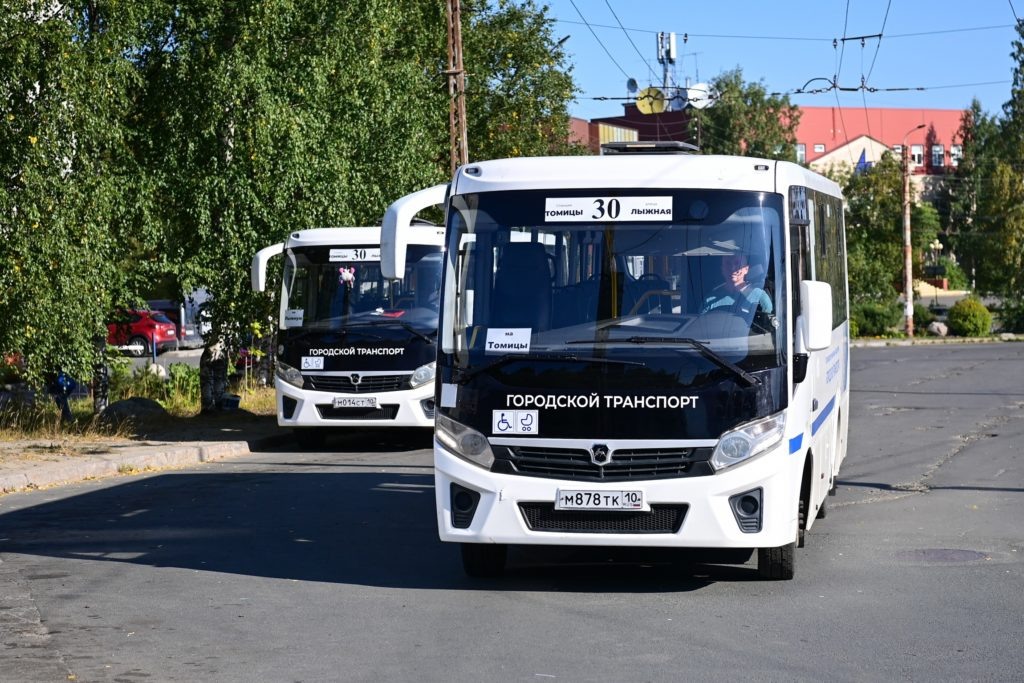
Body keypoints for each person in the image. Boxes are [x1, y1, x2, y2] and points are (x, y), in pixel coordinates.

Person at [701, 252, 773, 315]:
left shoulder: (760, 298)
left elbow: (767, 326)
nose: (732, 268)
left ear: (746, 269)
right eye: (728, 263)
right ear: (722, 269)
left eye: (737, 263)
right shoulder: (709, 300)